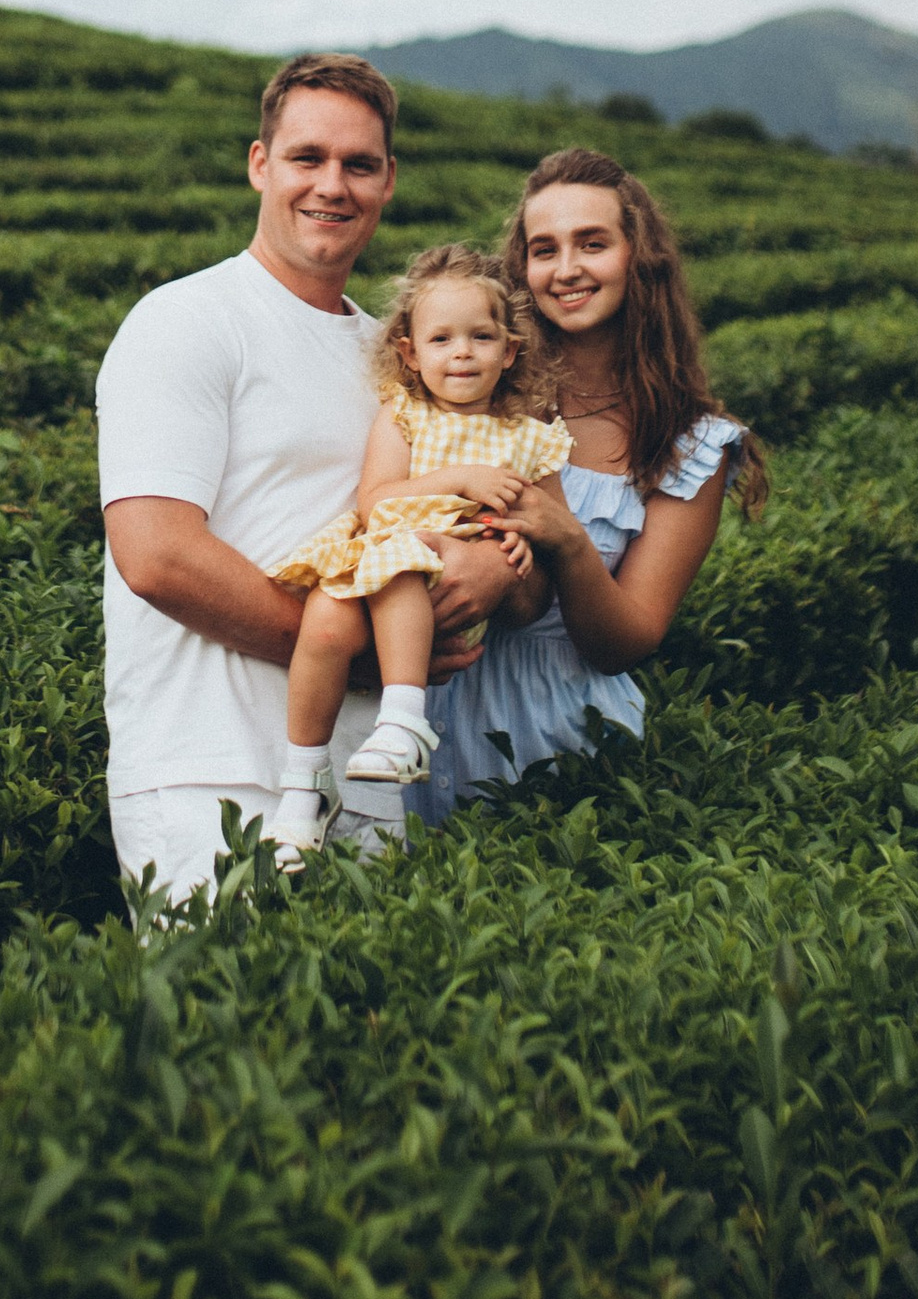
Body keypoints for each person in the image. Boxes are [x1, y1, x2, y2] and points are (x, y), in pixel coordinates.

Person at [96, 54, 529, 907]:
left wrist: (498, 573)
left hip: (366, 779)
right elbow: (157, 557)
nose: (332, 184)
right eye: (307, 157)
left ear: (388, 180)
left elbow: (487, 515)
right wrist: (358, 649)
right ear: (260, 163)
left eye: (359, 164)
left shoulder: (396, 359)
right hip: (207, 774)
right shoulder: (185, 320)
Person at [409, 145, 769, 831]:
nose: (567, 268)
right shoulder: (467, 391)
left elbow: (627, 639)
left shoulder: (692, 445)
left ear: (640, 257)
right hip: (420, 705)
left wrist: (569, 541)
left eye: (592, 243)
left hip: (560, 739)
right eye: (544, 249)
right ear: (521, 272)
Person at [267, 243, 569, 844]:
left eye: (481, 338)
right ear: (409, 351)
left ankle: (404, 723)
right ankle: (303, 784)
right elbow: (375, 501)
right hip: (387, 560)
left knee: (403, 563)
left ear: (510, 351)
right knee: (324, 625)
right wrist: (459, 479)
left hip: (449, 582)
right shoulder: (405, 414)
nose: (461, 352)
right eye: (441, 340)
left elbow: (550, 529)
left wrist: (523, 548)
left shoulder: (531, 438)